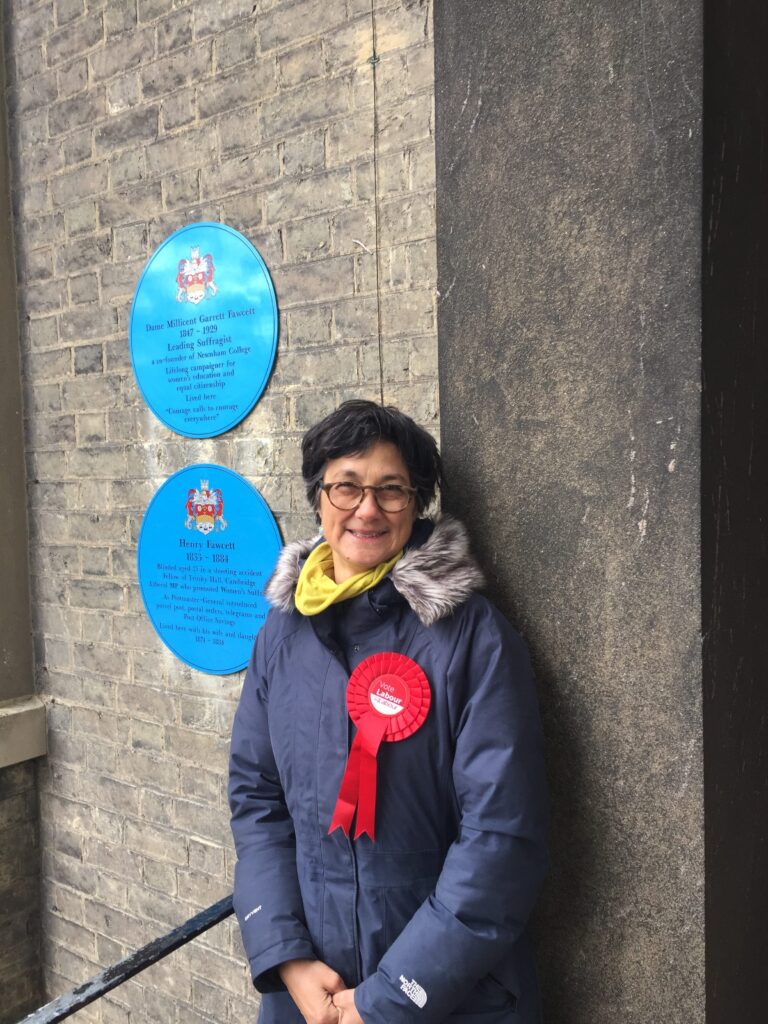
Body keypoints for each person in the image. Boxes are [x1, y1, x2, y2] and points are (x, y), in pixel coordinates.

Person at [228, 400, 548, 1024]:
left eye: (391, 490)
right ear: (318, 497)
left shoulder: (470, 638)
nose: (366, 509)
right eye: (346, 486)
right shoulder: (280, 637)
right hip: (310, 994)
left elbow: (502, 838)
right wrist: (286, 957)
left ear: (418, 502)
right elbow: (256, 800)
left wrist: (387, 999)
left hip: (448, 994)